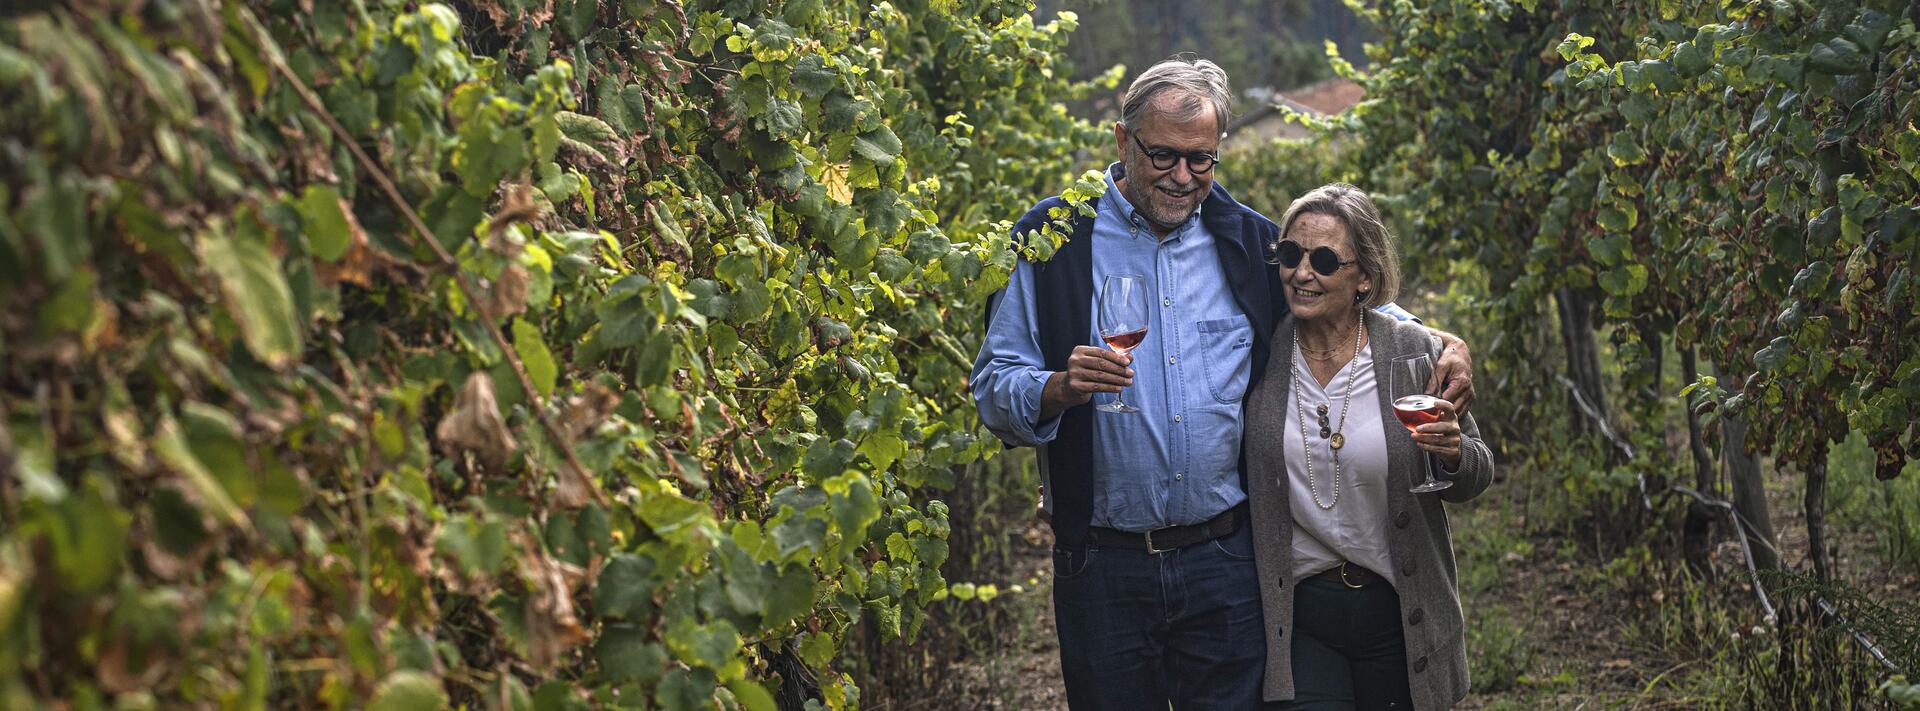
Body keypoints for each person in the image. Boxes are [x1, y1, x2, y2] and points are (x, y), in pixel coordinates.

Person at [970, 56, 1475, 709]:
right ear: (1122, 142)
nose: (1183, 178)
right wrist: (1057, 387)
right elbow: (993, 385)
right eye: (1164, 156)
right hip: (1103, 565)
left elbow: (1342, 292)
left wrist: (1441, 341)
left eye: (1202, 160)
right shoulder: (1052, 238)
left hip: (1228, 562)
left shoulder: (1246, 239)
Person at [1243, 183, 1494, 710]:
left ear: (1365, 278)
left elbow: (1476, 472)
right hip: (1300, 618)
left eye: (1326, 259)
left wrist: (1451, 455)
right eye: (1290, 254)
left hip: (1399, 615)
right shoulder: (1258, 350)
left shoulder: (1414, 350)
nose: (1302, 272)